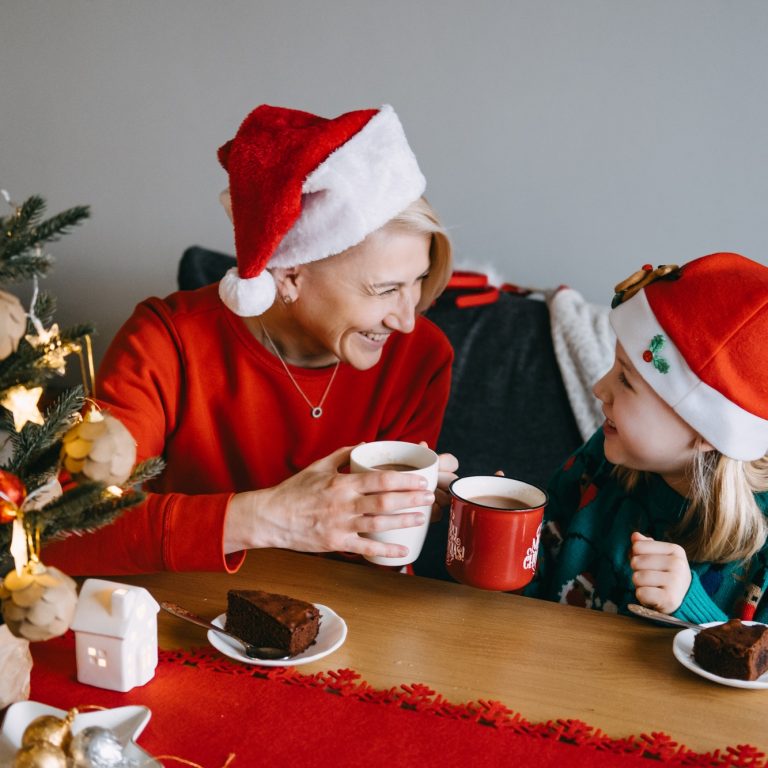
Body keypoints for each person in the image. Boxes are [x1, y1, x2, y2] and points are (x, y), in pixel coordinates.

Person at [43, 104, 458, 574]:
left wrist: (406, 509)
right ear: (289, 274)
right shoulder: (166, 343)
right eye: (385, 290)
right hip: (188, 617)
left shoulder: (422, 357)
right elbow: (66, 528)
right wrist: (264, 517)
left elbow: (379, 559)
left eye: (418, 281)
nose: (406, 320)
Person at [525, 252, 768, 623]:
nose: (598, 387)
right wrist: (505, 531)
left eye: (625, 380)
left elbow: (757, 671)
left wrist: (691, 608)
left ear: (705, 430)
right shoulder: (603, 458)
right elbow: (534, 575)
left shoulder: (760, 551)